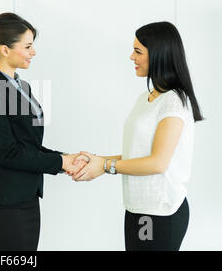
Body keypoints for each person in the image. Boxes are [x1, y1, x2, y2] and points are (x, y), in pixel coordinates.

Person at [72, 21, 203, 251]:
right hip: (137, 209)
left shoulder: (173, 101)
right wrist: (98, 161)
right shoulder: (147, 98)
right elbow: (139, 154)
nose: (131, 57)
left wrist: (105, 165)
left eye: (138, 51)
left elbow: (157, 163)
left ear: (159, 55)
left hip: (160, 212)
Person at [0, 12, 86, 251]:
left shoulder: (22, 86)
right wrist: (59, 162)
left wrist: (65, 159)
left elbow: (28, 144)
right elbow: (9, 153)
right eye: (28, 46)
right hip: (6, 204)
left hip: (27, 197)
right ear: (5, 50)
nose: (33, 52)